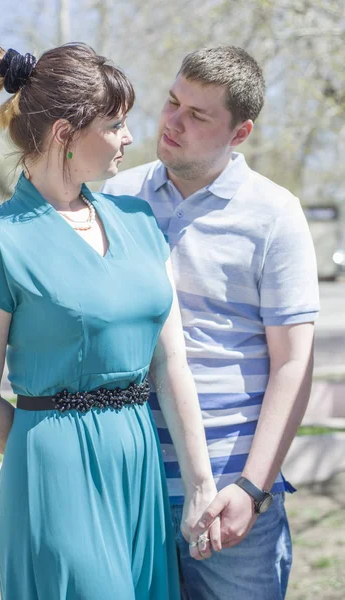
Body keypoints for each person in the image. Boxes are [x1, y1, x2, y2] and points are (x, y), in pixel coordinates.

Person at [0, 43, 221, 600]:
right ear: (65, 134)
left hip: (139, 467)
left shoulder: (140, 221)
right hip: (55, 476)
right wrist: (53, 452)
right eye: (115, 124)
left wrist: (198, 483)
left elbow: (170, 365)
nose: (127, 138)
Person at [102, 45, 320, 599]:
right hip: (131, 489)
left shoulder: (275, 214)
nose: (172, 122)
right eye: (173, 102)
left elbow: (293, 365)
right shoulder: (115, 197)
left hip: (230, 501)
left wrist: (252, 487)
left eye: (197, 115)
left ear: (240, 132)